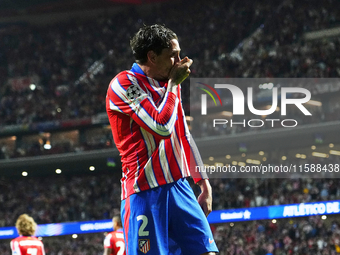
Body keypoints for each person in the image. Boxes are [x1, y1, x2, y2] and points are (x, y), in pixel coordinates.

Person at [106, 24, 218, 255]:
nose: (179, 61)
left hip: (179, 187)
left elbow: (182, 135)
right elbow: (161, 127)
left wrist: (203, 183)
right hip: (145, 191)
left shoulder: (166, 87)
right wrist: (174, 85)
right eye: (172, 56)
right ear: (152, 56)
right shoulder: (125, 84)